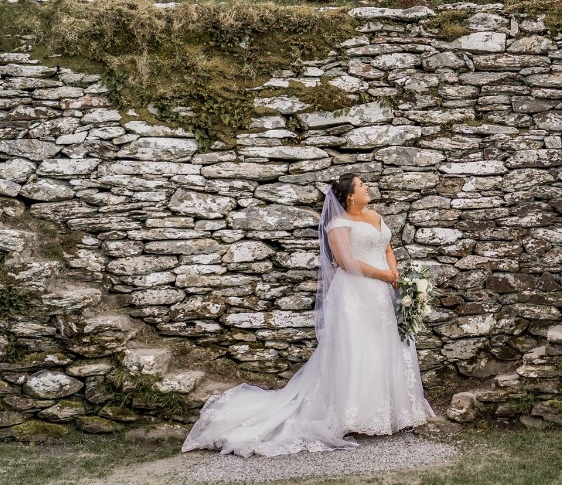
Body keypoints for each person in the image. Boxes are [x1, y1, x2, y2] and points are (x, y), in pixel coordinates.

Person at [182, 173, 434, 457]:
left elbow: (386, 247)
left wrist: (396, 274)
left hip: (383, 292)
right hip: (356, 292)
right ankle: (356, 415)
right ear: (350, 195)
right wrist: (384, 275)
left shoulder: (375, 215)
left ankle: (393, 412)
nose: (368, 187)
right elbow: (344, 261)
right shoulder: (337, 224)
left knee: (385, 345)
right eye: (362, 185)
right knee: (358, 348)